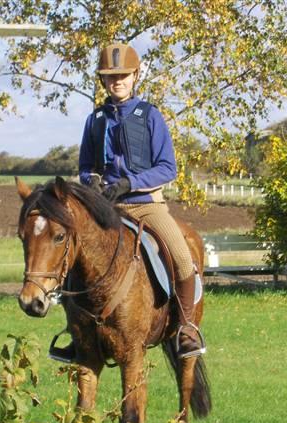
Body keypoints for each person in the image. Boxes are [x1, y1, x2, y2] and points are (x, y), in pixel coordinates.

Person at [75, 42, 205, 359]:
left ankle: (187, 327)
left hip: (146, 203)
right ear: (103, 80)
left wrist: (129, 182)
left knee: (181, 256)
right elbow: (85, 166)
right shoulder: (95, 120)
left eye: (122, 75)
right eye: (110, 76)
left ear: (134, 76)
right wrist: (91, 180)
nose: (116, 81)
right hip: (106, 206)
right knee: (73, 256)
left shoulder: (150, 116)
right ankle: (75, 332)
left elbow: (168, 168)